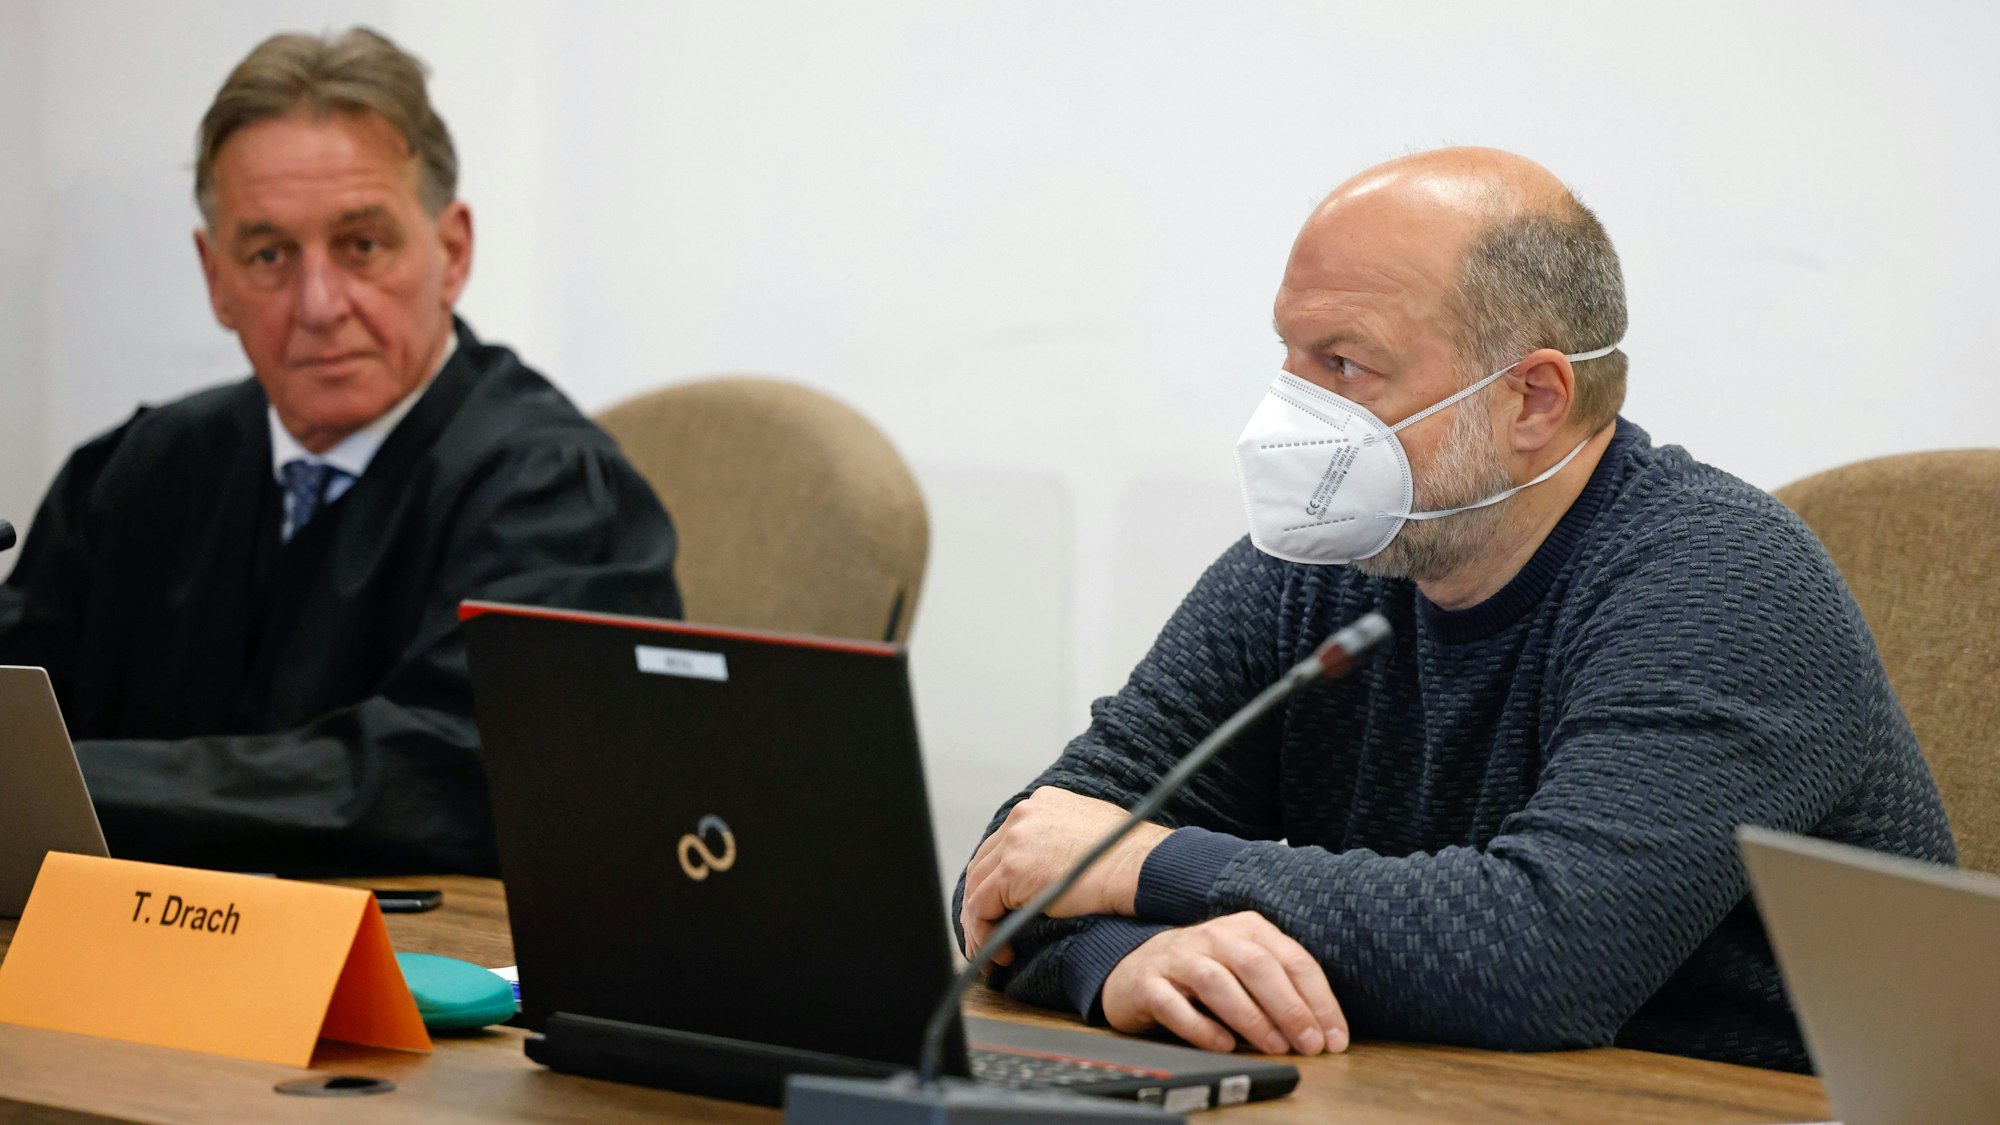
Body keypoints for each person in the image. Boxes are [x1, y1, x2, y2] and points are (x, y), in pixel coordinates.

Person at [955, 147, 1952, 1072]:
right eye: (1289, 358)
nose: (1286, 418)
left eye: (1344, 367)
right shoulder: (1322, 566)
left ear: (1531, 401)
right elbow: (1026, 855)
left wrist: (1154, 869)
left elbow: (1542, 956)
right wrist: (1114, 970)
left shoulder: (1724, 584)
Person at [0, 28, 681, 876]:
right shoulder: (140, 471)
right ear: (216, 278)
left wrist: (80, 788)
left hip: (422, 983)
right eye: (269, 255)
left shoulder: (551, 495)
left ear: (453, 252)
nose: (320, 304)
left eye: (362, 246)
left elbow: (445, 775)